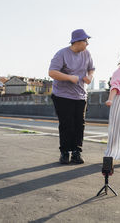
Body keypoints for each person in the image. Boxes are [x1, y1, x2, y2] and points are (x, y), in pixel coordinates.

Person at [48, 29, 95, 164]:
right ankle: (64, 152)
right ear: (78, 42)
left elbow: (91, 68)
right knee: (66, 124)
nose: (87, 44)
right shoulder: (61, 54)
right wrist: (69, 77)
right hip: (62, 95)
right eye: (86, 41)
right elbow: (52, 72)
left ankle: (76, 152)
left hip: (80, 95)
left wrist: (90, 77)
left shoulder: (86, 54)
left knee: (79, 125)